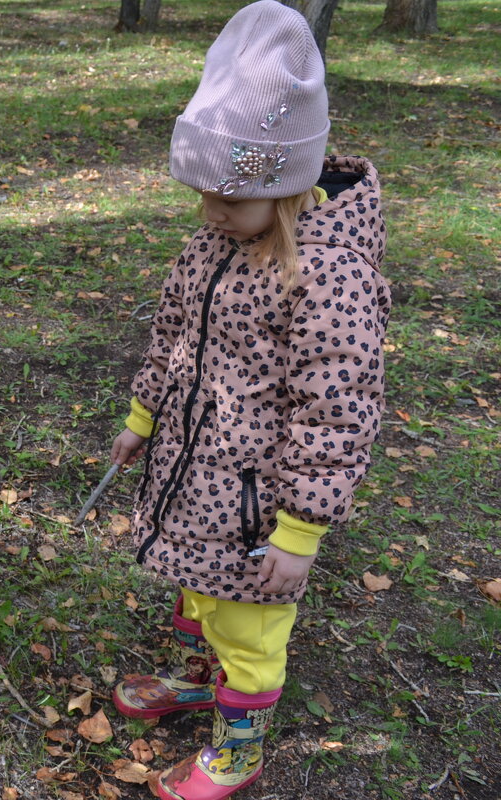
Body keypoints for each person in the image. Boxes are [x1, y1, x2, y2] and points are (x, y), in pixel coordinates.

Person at [106, 3, 390, 799]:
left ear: (287, 183)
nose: (208, 213)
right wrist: (143, 417)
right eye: (200, 194)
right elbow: (173, 338)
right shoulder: (219, 238)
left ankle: (242, 743)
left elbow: (335, 412)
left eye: (225, 199)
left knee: (252, 624)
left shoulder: (329, 277)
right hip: (196, 475)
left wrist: (298, 533)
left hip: (259, 504)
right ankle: (203, 675)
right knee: (203, 595)